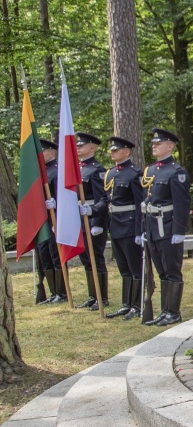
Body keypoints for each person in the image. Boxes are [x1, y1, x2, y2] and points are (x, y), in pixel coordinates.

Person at [142, 128, 191, 327]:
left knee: (172, 270)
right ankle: (165, 310)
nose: (154, 145)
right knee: (161, 270)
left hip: (168, 227)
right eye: (153, 143)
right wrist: (144, 229)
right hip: (153, 227)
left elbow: (182, 203)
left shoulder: (176, 172)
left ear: (170, 146)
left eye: (158, 143)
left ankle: (174, 312)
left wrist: (179, 231)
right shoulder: (150, 171)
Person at [103, 136, 144, 320]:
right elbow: (108, 201)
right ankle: (126, 304)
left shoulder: (135, 173)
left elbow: (139, 204)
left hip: (128, 224)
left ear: (126, 152)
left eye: (116, 149)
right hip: (115, 224)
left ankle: (137, 305)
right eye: (111, 149)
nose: (112, 152)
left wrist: (139, 230)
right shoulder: (110, 173)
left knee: (135, 267)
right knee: (123, 267)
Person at [75, 132, 110, 310]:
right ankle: (92, 295)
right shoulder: (77, 168)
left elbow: (102, 199)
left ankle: (102, 297)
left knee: (96, 257)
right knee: (86, 258)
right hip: (79, 219)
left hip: (92, 218)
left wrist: (97, 222)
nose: (78, 147)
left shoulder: (97, 170)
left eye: (82, 145)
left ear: (92, 148)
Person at [38, 139, 68, 305]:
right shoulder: (40, 172)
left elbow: (65, 196)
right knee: (45, 254)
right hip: (43, 219)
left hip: (55, 218)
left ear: (51, 152)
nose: (40, 155)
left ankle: (62, 292)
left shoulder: (57, 171)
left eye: (43, 151)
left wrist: (56, 203)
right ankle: (53, 291)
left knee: (56, 254)